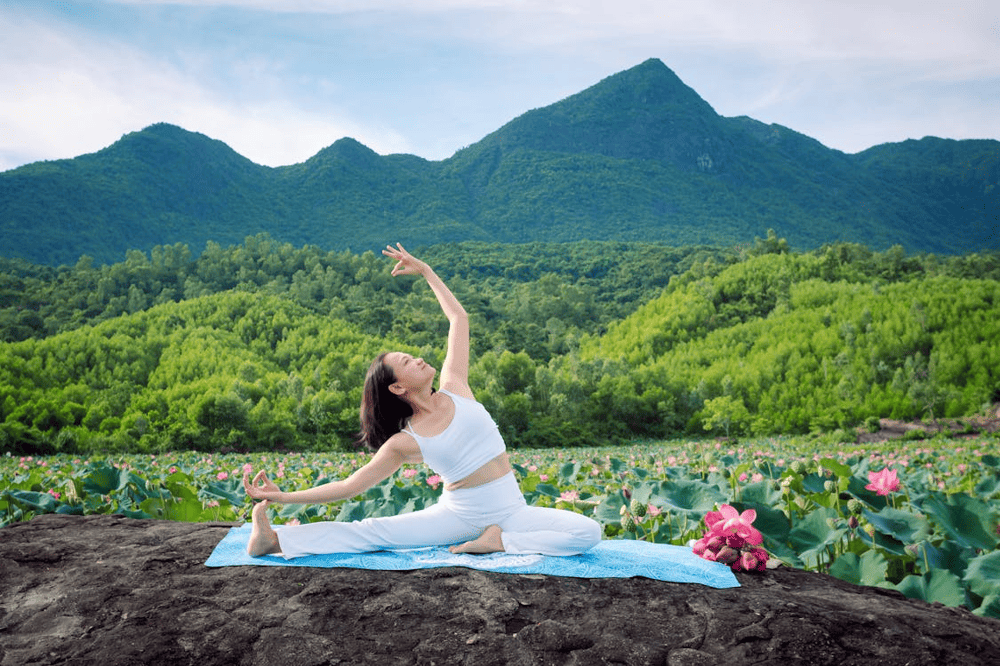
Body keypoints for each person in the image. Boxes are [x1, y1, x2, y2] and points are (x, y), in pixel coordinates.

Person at [243, 243, 602, 559]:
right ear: (397, 388)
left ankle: (500, 542)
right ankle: (272, 541)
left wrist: (426, 271)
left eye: (410, 355)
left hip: (512, 511)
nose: (416, 358)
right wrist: (284, 497)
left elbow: (459, 318)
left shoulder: (455, 386)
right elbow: (352, 486)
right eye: (405, 362)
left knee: (588, 533)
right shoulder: (406, 441)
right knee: (374, 531)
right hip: (458, 516)